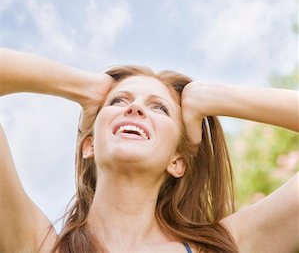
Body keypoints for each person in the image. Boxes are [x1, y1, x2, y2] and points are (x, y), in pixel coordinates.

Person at [0, 48, 298, 253]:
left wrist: (213, 98)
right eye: (118, 101)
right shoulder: (38, 244)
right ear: (88, 144)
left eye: (159, 107)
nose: (135, 108)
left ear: (177, 161)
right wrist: (85, 87)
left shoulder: (227, 246)